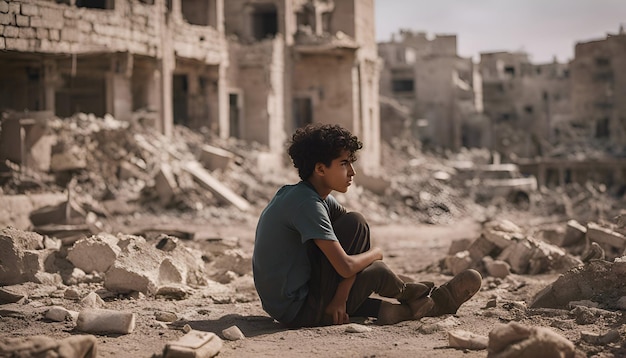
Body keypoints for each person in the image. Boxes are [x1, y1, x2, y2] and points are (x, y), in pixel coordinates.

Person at [252, 123, 481, 327]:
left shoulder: (303, 196)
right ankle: (426, 298)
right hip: (299, 310)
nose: (352, 172)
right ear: (320, 169)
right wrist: (376, 254)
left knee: (355, 223)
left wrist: (342, 297)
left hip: (289, 305)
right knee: (377, 269)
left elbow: (354, 240)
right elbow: (346, 267)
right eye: (344, 164)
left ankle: (399, 311)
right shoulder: (307, 204)